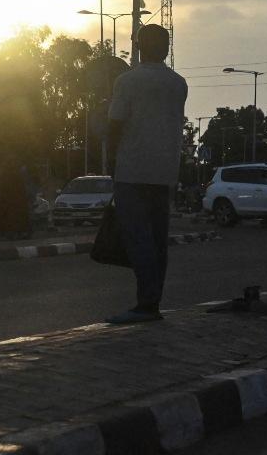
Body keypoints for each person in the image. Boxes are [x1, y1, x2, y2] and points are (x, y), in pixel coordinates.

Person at [105, 24, 188, 325]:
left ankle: (145, 304)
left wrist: (111, 161)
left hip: (132, 168)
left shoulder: (127, 81)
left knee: (137, 237)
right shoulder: (178, 84)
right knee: (157, 239)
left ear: (139, 46)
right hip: (165, 170)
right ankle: (153, 300)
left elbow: (115, 123)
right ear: (166, 48)